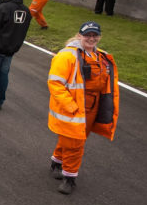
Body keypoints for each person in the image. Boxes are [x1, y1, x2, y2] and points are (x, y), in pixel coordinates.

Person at [46, 21, 119, 195]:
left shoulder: (102, 56)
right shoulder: (67, 56)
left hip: (93, 108)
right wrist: (71, 106)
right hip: (73, 108)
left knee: (73, 139)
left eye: (95, 35)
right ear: (79, 36)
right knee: (75, 143)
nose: (91, 39)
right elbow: (55, 83)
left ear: (99, 37)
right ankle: (69, 178)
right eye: (88, 35)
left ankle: (57, 162)